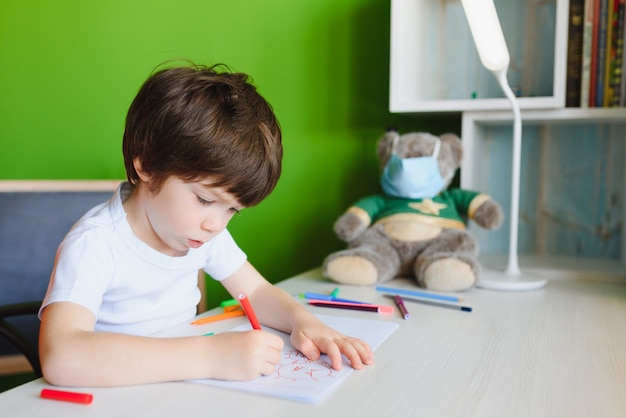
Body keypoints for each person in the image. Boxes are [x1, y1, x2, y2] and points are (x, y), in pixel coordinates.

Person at [38, 63, 374, 387]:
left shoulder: (204, 234)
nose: (216, 224)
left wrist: (306, 322)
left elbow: (255, 292)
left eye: (233, 210)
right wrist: (210, 356)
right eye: (204, 200)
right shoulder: (96, 243)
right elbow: (62, 356)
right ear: (147, 164)